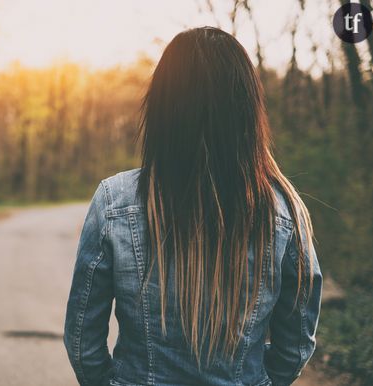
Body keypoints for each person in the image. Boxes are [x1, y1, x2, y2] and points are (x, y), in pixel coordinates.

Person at [63, 27, 322, 386]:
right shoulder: (283, 212)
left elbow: (82, 342)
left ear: (163, 108)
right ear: (246, 112)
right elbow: (294, 347)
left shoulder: (115, 201)